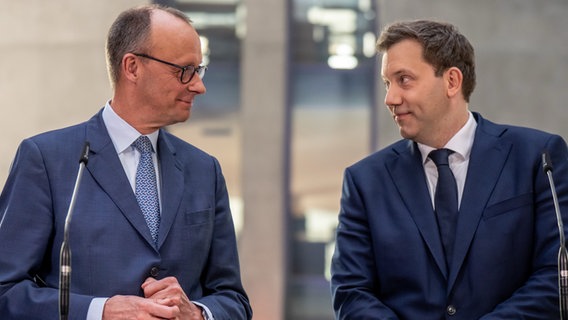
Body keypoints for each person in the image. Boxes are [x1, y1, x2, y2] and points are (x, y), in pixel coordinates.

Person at [0, 4, 252, 320]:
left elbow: (234, 301)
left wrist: (198, 314)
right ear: (132, 67)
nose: (198, 86)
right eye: (184, 70)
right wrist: (99, 311)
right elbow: (5, 292)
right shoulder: (46, 160)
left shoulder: (205, 170)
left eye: (199, 70)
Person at [330, 19, 568, 319]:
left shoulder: (538, 158)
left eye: (404, 79)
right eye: (387, 83)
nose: (390, 98)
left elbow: (556, 276)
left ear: (452, 81)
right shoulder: (364, 182)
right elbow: (352, 293)